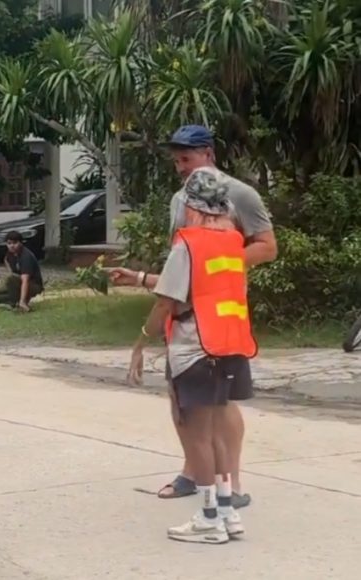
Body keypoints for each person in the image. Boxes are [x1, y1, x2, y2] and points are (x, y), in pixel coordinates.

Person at [109, 124, 277, 507]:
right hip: (184, 310)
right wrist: (143, 278)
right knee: (183, 399)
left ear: (209, 154)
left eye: (186, 159)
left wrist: (216, 265)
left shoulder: (240, 193)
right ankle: (195, 474)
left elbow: (267, 247)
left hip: (218, 315)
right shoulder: (178, 199)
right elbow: (181, 265)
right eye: (176, 161)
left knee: (220, 402)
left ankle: (229, 488)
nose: (181, 168)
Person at [129, 167, 255, 543]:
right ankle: (228, 512)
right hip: (229, 345)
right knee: (217, 436)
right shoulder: (233, 242)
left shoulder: (188, 244)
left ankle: (209, 518)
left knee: (196, 437)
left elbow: (166, 302)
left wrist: (140, 343)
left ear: (191, 206)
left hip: (194, 350)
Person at [0, 231, 44, 311]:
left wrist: (23, 301)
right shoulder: (9, 255)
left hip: (33, 285)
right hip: (16, 283)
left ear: (20, 243)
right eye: (9, 243)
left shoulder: (26, 256)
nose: (12, 246)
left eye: (15, 243)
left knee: (10, 278)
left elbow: (25, 280)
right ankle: (12, 302)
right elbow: (10, 270)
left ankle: (18, 303)